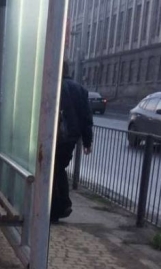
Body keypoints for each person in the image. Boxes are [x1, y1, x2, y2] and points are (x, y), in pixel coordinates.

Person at [52, 61, 93, 223]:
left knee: (54, 170)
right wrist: (87, 142)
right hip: (70, 139)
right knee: (59, 169)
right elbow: (86, 118)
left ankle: (59, 207)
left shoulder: (55, 85)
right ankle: (62, 205)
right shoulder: (80, 89)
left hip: (56, 137)